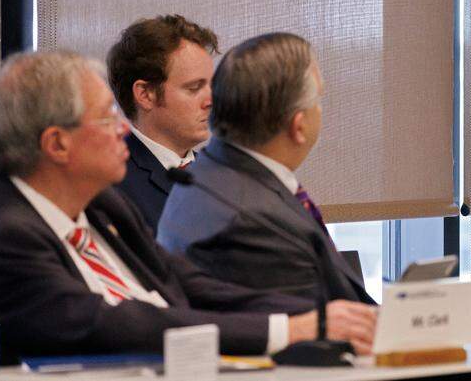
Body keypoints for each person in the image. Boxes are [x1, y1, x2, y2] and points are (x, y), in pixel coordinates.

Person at [0, 51, 377, 362]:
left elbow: (195, 286)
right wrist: (289, 331)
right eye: (107, 118)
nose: (123, 128)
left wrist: (326, 316)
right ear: (57, 144)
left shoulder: (103, 209)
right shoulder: (4, 236)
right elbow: (119, 324)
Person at [158, 33, 375, 305]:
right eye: (318, 101)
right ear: (298, 126)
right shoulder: (257, 223)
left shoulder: (208, 171)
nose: (320, 111)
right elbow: (318, 324)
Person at [107, 15, 217, 228]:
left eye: (211, 86)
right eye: (194, 88)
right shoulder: (112, 182)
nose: (210, 101)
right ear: (145, 94)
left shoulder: (221, 175)